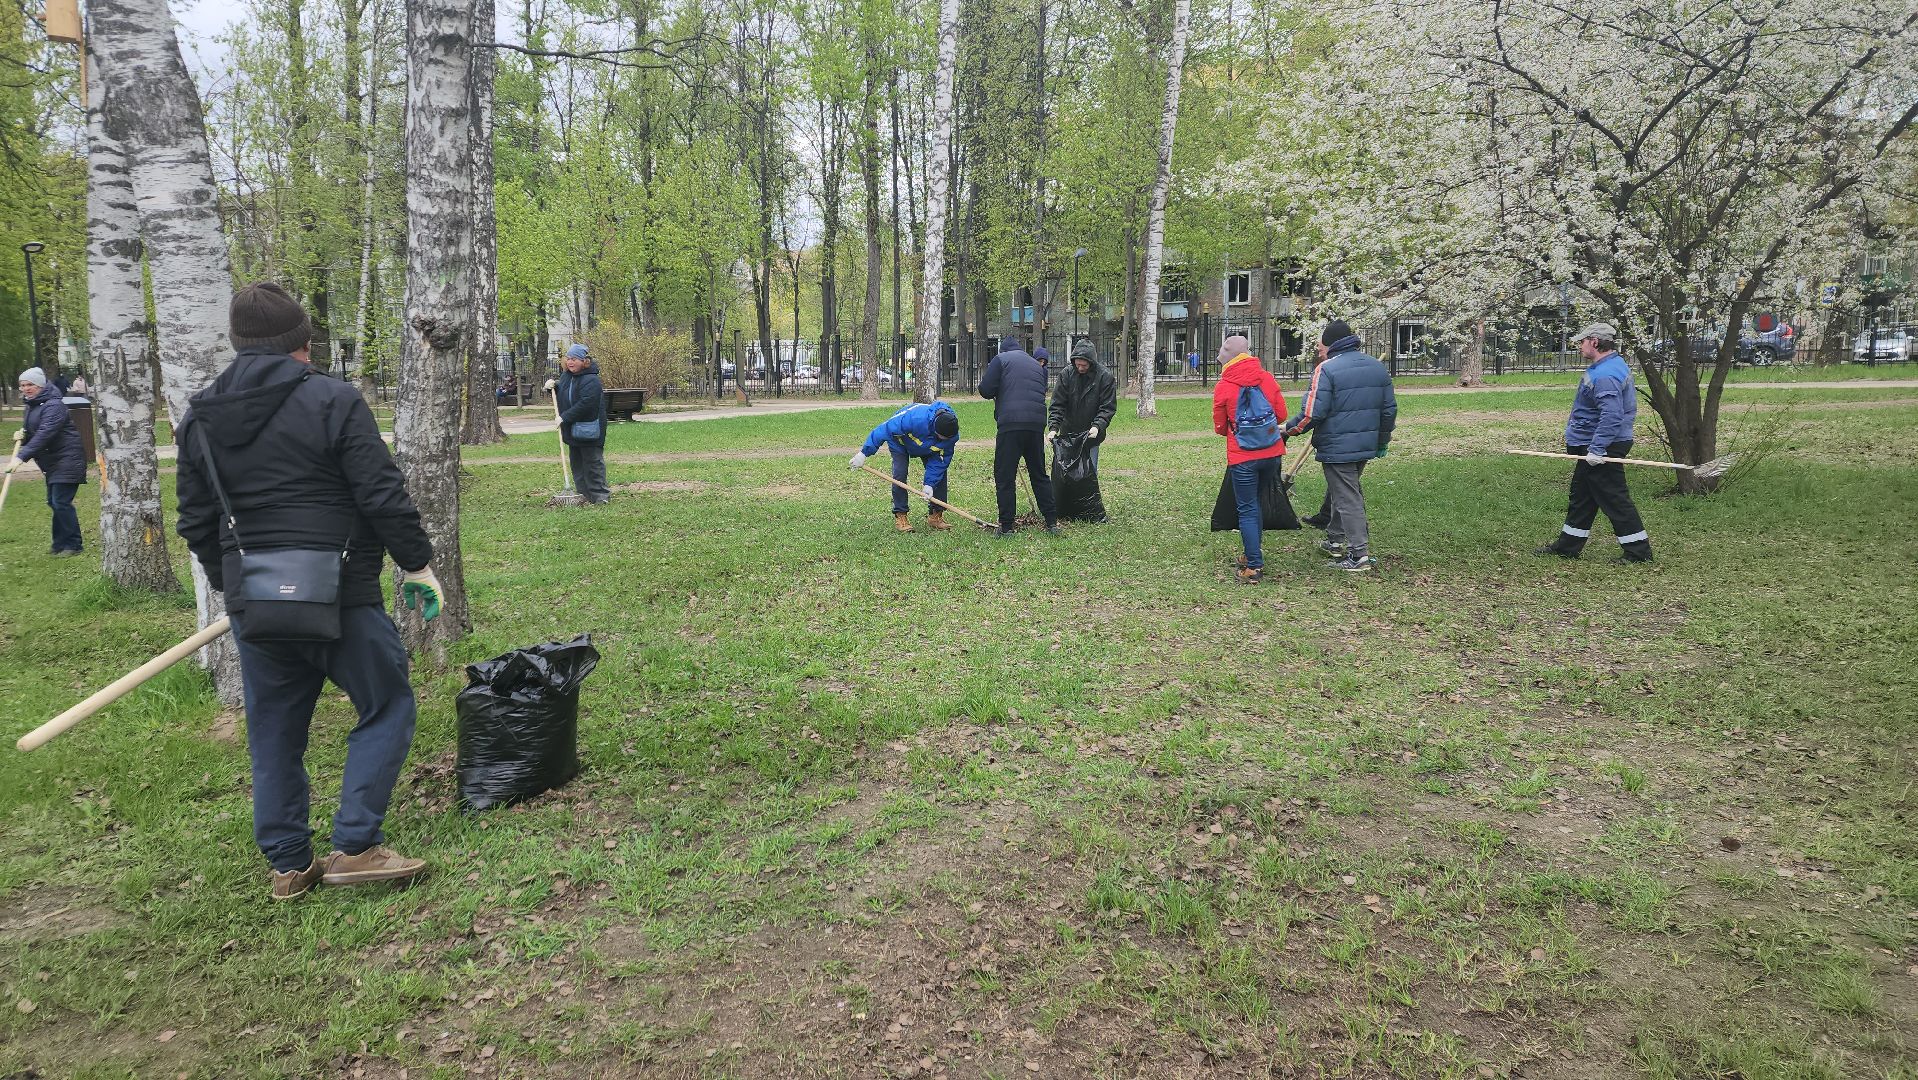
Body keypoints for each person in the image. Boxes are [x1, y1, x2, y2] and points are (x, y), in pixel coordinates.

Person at [175, 282, 444, 900]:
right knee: (386, 705)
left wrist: (241, 591)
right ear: (303, 343)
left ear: (238, 344)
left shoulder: (199, 418)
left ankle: (288, 865)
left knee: (273, 729)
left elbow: (195, 521)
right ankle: (355, 847)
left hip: (256, 606)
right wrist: (418, 565)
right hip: (341, 595)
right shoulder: (333, 399)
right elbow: (380, 494)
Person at [1283, 320, 1395, 572]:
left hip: (1338, 445)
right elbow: (1389, 410)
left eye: (1320, 345)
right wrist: (1381, 441)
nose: (1319, 350)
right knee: (1341, 490)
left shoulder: (1327, 369)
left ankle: (1359, 555)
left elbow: (1312, 413)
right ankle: (1335, 539)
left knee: (1347, 496)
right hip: (1366, 444)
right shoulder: (1376, 367)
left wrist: (1289, 429)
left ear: (1331, 343)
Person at [1536, 322, 1652, 562]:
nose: (1580, 346)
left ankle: (1638, 551)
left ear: (1595, 342)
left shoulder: (1606, 375)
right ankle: (1568, 546)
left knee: (1614, 497)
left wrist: (1597, 449)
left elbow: (1611, 415)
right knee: (1582, 496)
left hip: (1600, 446)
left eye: (1582, 341)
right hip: (1593, 444)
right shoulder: (1610, 365)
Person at [1211, 336, 1288, 583]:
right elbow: (1282, 414)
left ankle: (1253, 565)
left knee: (1247, 508)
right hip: (1272, 453)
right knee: (1255, 503)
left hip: (1242, 456)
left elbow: (1220, 427)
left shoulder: (1224, 385)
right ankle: (1250, 554)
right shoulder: (1265, 377)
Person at [979, 338, 1059, 536]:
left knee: (1005, 476)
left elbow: (985, 389)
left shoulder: (1001, 359)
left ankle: (1006, 526)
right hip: (1035, 424)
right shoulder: (1035, 364)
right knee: (1039, 474)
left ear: (1002, 350)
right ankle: (1051, 522)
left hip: (1011, 424)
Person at [7, 366, 87, 557]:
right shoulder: (31, 405)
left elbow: (46, 433)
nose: (26, 389)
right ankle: (59, 544)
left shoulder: (54, 405)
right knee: (53, 502)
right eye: (23, 385)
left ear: (40, 385)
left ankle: (74, 545)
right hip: (53, 462)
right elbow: (35, 431)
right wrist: (23, 436)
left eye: (30, 385)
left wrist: (21, 456)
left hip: (68, 458)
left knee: (60, 501)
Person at [849, 400, 961, 531]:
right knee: (899, 474)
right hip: (900, 443)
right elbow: (884, 429)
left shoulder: (951, 435)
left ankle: (936, 515)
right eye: (942, 437)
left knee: (940, 475)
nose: (944, 440)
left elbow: (940, 463)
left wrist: (929, 484)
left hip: (929, 447)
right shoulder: (913, 418)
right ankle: (901, 515)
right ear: (935, 428)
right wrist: (863, 454)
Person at [549, 343, 610, 504]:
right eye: (568, 358)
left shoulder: (591, 380)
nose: (570, 362)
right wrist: (554, 387)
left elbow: (586, 404)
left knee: (592, 463)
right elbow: (564, 393)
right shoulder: (566, 377)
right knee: (577, 464)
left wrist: (565, 417)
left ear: (585, 361)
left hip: (590, 429)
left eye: (574, 359)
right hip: (571, 429)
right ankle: (583, 495)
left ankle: (600, 496)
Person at [1048, 339, 1117, 468]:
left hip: (1091, 435)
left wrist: (1097, 426)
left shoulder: (1105, 377)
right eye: (1077, 364)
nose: (1080, 368)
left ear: (1091, 362)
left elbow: (1107, 407)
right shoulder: (1066, 374)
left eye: (1084, 365)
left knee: (1089, 472)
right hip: (1068, 434)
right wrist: (1053, 427)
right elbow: (1058, 404)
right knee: (1067, 472)